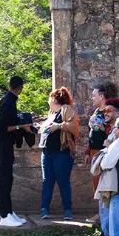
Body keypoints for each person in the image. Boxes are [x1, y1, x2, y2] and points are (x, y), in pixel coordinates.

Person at [0, 75, 32, 227]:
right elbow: (1, 129)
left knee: (8, 179)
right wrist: (21, 127)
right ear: (20, 88)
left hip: (6, 145)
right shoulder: (8, 102)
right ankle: (4, 215)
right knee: (3, 180)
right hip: (2, 145)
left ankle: (9, 212)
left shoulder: (8, 100)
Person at [38, 87, 79, 220]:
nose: (48, 101)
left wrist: (59, 126)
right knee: (47, 181)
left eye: (50, 98)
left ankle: (67, 210)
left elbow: (74, 127)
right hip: (47, 152)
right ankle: (44, 209)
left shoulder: (66, 110)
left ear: (55, 99)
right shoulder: (51, 114)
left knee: (63, 181)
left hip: (62, 152)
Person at [85, 80, 119, 236]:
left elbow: (108, 133)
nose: (91, 97)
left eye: (94, 95)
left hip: (103, 153)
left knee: (103, 188)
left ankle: (107, 226)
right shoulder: (97, 111)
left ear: (102, 95)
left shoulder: (108, 112)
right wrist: (88, 150)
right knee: (98, 187)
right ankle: (104, 220)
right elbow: (93, 133)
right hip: (94, 152)